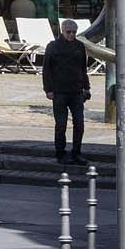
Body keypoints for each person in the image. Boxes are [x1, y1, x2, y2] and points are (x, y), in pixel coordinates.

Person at [42, 17, 92, 164]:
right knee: (61, 124)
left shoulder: (79, 46)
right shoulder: (53, 46)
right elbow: (47, 70)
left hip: (76, 91)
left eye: (74, 32)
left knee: (79, 124)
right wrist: (48, 90)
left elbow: (83, 68)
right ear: (62, 31)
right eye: (68, 32)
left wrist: (86, 87)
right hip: (59, 91)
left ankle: (76, 152)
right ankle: (60, 152)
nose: (71, 34)